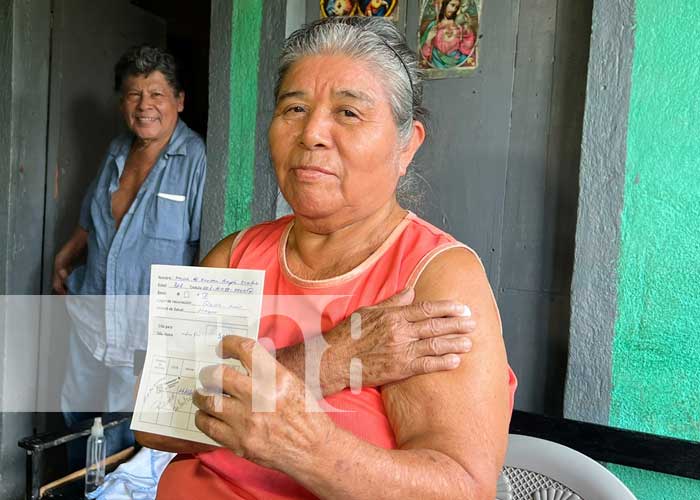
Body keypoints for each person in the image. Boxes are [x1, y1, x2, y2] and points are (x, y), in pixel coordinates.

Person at [138, 16, 516, 499]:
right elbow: (155, 426)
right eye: (294, 107)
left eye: (349, 112)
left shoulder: (434, 279)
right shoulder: (233, 256)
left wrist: (306, 448)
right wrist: (334, 359)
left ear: (407, 146)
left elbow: (462, 490)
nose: (311, 132)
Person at [53, 45, 207, 457]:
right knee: (75, 421)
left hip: (145, 335)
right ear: (122, 101)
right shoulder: (117, 150)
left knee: (124, 440)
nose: (144, 106)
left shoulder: (197, 160)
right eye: (133, 94)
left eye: (156, 94)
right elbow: (91, 218)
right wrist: (65, 257)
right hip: (91, 318)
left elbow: (206, 256)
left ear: (179, 100)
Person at [420, 0, 477, 69]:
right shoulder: (433, 26)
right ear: (444, 4)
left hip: (456, 61)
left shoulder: (459, 26)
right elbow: (423, 54)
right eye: (452, 5)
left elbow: (467, 47)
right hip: (437, 62)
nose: (454, 9)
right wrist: (429, 39)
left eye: (456, 7)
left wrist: (467, 30)